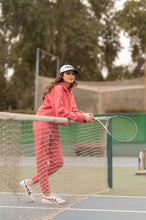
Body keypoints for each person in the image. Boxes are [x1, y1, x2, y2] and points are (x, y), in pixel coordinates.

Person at [20, 64, 95, 204]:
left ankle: (29, 183)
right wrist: (81, 117)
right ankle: (46, 195)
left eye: (73, 73)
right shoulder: (58, 88)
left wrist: (84, 116)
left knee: (58, 162)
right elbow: (59, 112)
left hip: (53, 125)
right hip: (42, 123)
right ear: (61, 76)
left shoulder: (69, 91)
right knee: (42, 162)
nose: (71, 75)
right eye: (67, 73)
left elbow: (73, 111)